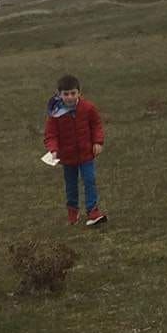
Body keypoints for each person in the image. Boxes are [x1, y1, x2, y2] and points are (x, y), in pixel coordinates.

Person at [44, 74, 107, 227]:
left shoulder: (88, 108)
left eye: (73, 93)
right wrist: (53, 150)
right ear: (59, 94)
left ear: (79, 92)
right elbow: (51, 135)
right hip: (68, 157)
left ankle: (93, 211)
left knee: (90, 180)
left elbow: (96, 125)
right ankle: (73, 210)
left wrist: (98, 141)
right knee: (71, 185)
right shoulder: (55, 114)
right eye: (66, 94)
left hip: (86, 154)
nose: (70, 97)